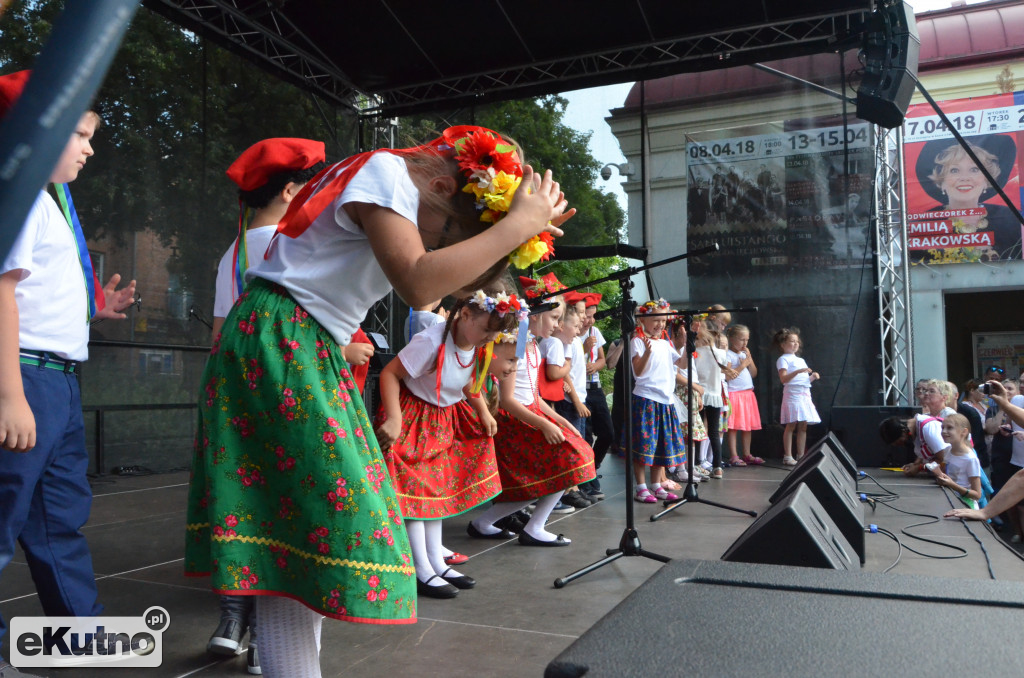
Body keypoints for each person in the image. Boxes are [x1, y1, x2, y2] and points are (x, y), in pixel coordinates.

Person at [184, 125, 572, 676]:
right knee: (326, 520)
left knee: (297, 535)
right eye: (444, 227)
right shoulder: (384, 172)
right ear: (437, 183)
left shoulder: (384, 180)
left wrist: (515, 232)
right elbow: (420, 283)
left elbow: (449, 285)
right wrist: (514, 226)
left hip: (299, 340)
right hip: (287, 339)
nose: (437, 241)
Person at [0, 70, 137, 678]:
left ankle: (80, 631)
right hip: (24, 378)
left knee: (58, 518)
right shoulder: (20, 195)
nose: (89, 146)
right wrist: (9, 395)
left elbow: (34, 291)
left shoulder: (50, 201)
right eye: (79, 134)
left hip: (56, 380)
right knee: (4, 514)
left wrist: (93, 308)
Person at [206, 137, 326, 674]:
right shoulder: (293, 240)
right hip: (287, 387)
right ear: (290, 190)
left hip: (234, 390)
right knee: (291, 513)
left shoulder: (232, 250)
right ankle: (269, 643)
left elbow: (217, 334)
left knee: (244, 502)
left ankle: (234, 618)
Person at [375, 288, 520, 599]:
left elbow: (467, 381)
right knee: (416, 493)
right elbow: (390, 374)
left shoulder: (477, 344)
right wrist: (394, 418)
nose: (487, 339)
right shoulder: (430, 341)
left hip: (442, 419)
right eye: (485, 330)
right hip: (414, 417)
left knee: (436, 489)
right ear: (465, 315)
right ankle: (420, 567)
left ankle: (436, 561)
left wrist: (482, 410)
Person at [467, 275, 595, 546]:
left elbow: (535, 397)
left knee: (570, 458)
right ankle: (526, 526)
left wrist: (560, 421)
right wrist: (545, 425)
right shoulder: (518, 343)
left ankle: (489, 523)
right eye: (554, 318)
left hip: (533, 413)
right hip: (515, 419)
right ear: (535, 315)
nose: (558, 325)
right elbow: (508, 400)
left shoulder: (534, 346)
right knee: (559, 466)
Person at [918, 139, 1020, 262]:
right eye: (954, 170)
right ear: (942, 182)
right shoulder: (923, 224)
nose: (965, 178)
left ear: (986, 181)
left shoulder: (1011, 218)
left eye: (974, 169)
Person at [627, 300, 684, 502]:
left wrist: (685, 343)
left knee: (660, 443)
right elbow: (638, 372)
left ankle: (656, 485)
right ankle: (641, 487)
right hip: (646, 399)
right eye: (656, 320)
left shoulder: (666, 343)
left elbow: (682, 363)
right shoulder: (638, 341)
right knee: (644, 445)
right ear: (643, 319)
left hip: (665, 400)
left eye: (663, 320)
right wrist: (648, 353)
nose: (660, 324)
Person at [579, 292, 614, 501]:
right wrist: (584, 350)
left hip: (595, 387)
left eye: (592, 316)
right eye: (586, 315)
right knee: (585, 435)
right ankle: (586, 480)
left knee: (608, 432)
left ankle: (592, 468)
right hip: (578, 389)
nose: (589, 320)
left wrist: (595, 365)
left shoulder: (594, 331)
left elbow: (602, 360)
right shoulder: (572, 332)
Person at [879, 380, 951, 475]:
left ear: (903, 432)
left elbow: (943, 460)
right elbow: (926, 453)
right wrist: (915, 465)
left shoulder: (928, 428)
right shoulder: (919, 428)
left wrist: (919, 468)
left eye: (901, 442)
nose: (926, 394)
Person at [773, 327, 820, 466]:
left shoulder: (801, 360)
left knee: (803, 425)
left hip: (804, 394)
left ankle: (801, 455)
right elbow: (784, 379)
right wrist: (798, 371)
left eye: (796, 341)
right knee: (791, 424)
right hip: (792, 395)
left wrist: (812, 377)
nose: (795, 344)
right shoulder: (783, 359)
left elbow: (803, 381)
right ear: (783, 345)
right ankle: (788, 455)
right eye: (791, 341)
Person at [695, 305, 730, 478]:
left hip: (699, 394)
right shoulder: (721, 354)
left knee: (698, 430)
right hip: (715, 395)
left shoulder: (695, 353)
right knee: (714, 431)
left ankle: (696, 463)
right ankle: (717, 466)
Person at [724, 324, 763, 466]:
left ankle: (747, 453)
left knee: (747, 427)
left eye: (747, 340)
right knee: (733, 427)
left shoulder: (744, 354)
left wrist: (749, 360)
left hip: (748, 394)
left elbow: (753, 373)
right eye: (741, 340)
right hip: (735, 394)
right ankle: (734, 455)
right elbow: (727, 376)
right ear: (732, 339)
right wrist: (742, 365)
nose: (745, 343)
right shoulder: (728, 354)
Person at [930, 413, 982, 509]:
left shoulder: (970, 459)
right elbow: (946, 474)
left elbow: (977, 494)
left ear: (964, 432)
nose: (944, 431)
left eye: (949, 428)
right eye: (942, 428)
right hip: (949, 499)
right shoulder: (947, 451)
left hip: (965, 504)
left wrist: (952, 485)